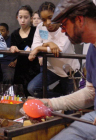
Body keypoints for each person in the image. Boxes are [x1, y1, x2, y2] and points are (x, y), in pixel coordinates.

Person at [26, 0, 96, 140]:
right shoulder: (92, 51)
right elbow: (90, 93)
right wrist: (50, 104)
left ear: (79, 20)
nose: (62, 30)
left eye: (64, 25)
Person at [27, 2, 80, 98]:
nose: (47, 23)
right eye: (43, 20)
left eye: (50, 18)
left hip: (70, 71)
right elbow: (35, 46)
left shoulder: (64, 26)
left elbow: (60, 49)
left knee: (70, 110)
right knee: (33, 88)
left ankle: (65, 100)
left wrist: (40, 47)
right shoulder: (42, 27)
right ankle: (61, 99)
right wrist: (48, 44)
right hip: (52, 69)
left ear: (56, 15)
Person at [10, 5, 40, 97]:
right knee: (19, 94)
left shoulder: (37, 31)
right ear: (17, 18)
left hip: (34, 67)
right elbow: (12, 46)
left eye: (26, 17)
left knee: (33, 92)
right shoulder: (14, 34)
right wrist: (13, 48)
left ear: (31, 18)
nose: (23, 20)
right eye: (20, 17)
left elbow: (45, 42)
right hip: (20, 68)